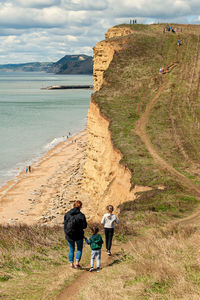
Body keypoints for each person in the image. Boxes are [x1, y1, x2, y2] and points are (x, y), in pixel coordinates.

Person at [64, 200, 87, 269]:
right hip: (79, 235)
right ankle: (77, 263)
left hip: (69, 235)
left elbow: (65, 224)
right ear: (81, 207)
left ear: (73, 205)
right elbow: (84, 226)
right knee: (79, 249)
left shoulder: (67, 214)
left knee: (71, 249)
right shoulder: (81, 215)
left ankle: (71, 264)